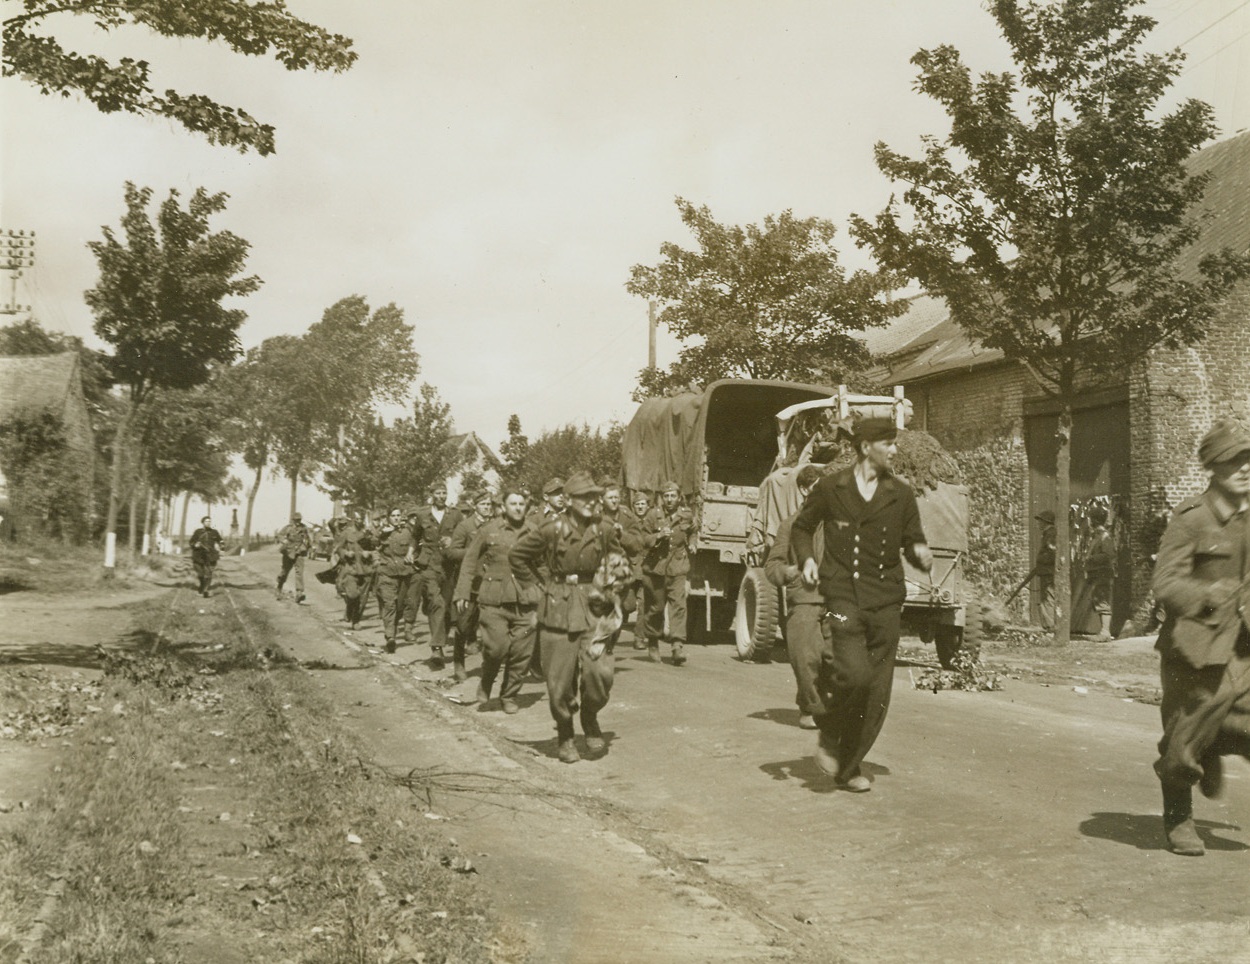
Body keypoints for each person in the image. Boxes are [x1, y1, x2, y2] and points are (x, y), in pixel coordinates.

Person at [791, 417, 933, 792]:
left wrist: (920, 552)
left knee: (877, 690)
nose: (894, 449)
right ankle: (830, 732)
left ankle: (849, 767)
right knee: (853, 672)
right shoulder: (830, 487)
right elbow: (802, 527)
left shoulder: (900, 494)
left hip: (886, 602)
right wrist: (806, 559)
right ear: (866, 446)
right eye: (888, 442)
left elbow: (913, 539)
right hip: (840, 600)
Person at [1151, 420, 1250, 856]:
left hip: (1243, 647)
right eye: (1233, 461)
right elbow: (1166, 583)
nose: (1244, 469)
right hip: (1196, 649)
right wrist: (1207, 596)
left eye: (1248, 459)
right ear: (1212, 467)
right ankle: (1179, 820)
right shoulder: (1192, 519)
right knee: (1181, 743)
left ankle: (1211, 746)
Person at [510, 472, 625, 764]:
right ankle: (564, 733)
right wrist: (537, 590)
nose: (591, 502)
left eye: (593, 496)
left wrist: (614, 580)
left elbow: (619, 560)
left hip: (594, 605)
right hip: (558, 606)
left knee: (601, 674)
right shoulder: (551, 528)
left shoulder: (604, 529)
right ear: (570, 500)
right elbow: (518, 556)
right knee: (559, 683)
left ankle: (589, 716)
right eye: (584, 497)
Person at [454, 487, 535, 713]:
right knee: (497, 648)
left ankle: (509, 695)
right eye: (513, 504)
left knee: (521, 653)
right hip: (493, 600)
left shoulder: (534, 531)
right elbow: (469, 562)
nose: (518, 508)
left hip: (526, 600)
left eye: (521, 504)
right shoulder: (488, 530)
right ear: (504, 507)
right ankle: (487, 677)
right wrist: (462, 592)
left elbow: (545, 565)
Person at [764, 465, 825, 730]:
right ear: (803, 490)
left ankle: (824, 704)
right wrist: (788, 571)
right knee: (805, 655)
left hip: (836, 604)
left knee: (840, 653)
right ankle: (810, 706)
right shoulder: (789, 526)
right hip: (805, 600)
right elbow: (771, 566)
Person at [639, 481, 695, 665]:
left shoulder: (686, 515)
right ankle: (653, 641)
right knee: (655, 607)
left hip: (677, 567)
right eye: (666, 496)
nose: (670, 499)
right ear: (662, 498)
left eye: (673, 496)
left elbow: (694, 529)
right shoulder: (652, 515)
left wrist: (693, 542)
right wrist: (657, 537)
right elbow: (642, 538)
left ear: (679, 497)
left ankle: (677, 646)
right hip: (656, 568)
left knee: (679, 605)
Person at [412, 484, 463, 670]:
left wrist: (453, 541)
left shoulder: (455, 515)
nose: (442, 496)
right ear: (431, 495)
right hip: (429, 565)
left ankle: (438, 640)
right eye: (438, 493)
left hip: (449, 566)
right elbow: (415, 535)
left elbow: (463, 536)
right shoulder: (422, 515)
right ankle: (437, 648)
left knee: (447, 609)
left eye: (444, 493)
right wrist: (411, 551)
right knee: (437, 603)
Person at [445, 490, 495, 681]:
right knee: (463, 626)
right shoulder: (465, 527)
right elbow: (451, 553)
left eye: (489, 504)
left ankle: (488, 666)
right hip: (470, 584)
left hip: (490, 584)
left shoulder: (495, 526)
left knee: (491, 627)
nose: (487, 508)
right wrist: (473, 552)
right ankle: (459, 663)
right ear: (475, 506)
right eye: (483, 505)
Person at [374, 507, 416, 654]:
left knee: (400, 606)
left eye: (398, 515)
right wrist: (381, 533)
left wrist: (411, 553)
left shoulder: (407, 531)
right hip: (387, 573)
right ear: (388, 517)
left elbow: (414, 542)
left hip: (404, 573)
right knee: (389, 604)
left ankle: (393, 629)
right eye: (393, 515)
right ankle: (390, 637)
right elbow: (372, 543)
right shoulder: (381, 531)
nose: (396, 518)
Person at [334, 513, 375, 630]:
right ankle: (349, 610)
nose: (359, 521)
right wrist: (345, 553)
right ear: (353, 520)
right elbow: (339, 548)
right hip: (351, 567)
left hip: (365, 568)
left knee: (363, 598)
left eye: (361, 518)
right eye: (356, 518)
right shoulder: (347, 532)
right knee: (353, 594)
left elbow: (376, 549)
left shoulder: (367, 533)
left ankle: (356, 621)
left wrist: (369, 553)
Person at [1084, 504, 1115, 640]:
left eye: (1090, 519)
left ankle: (1105, 632)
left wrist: (1090, 558)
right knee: (1098, 599)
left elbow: (1108, 555)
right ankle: (1103, 631)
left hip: (1102, 573)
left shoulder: (1105, 537)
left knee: (1102, 600)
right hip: (1096, 574)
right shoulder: (1097, 536)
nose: (1089, 521)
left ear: (1095, 520)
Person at [275, 512, 313, 602]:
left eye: (299, 520)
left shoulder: (304, 528)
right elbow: (279, 535)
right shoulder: (288, 528)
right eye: (296, 520)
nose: (298, 522)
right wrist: (284, 541)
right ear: (293, 520)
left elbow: (308, 538)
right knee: (285, 571)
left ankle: (299, 593)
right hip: (288, 552)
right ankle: (279, 587)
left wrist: (310, 547)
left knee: (299, 572)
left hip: (299, 552)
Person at [189, 516, 224, 597]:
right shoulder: (198, 532)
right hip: (198, 555)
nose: (208, 523)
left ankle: (205, 590)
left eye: (209, 521)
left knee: (208, 573)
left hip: (210, 555)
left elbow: (221, 541)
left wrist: (222, 550)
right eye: (206, 521)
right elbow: (191, 542)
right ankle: (202, 585)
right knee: (200, 574)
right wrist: (195, 545)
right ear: (203, 523)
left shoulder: (214, 532)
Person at [1034, 510, 1057, 631]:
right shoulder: (1047, 533)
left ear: (1045, 522)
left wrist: (1041, 561)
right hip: (1045, 570)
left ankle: (1051, 626)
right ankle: (1049, 625)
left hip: (1048, 571)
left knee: (1048, 597)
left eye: (1040, 521)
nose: (1038, 524)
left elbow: (1052, 553)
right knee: (1046, 596)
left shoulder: (1050, 534)